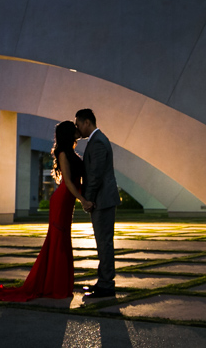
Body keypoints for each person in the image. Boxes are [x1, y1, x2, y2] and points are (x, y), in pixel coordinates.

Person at [0, 121, 86, 301]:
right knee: (58, 242)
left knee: (62, 241)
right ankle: (55, 286)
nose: (76, 130)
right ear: (68, 133)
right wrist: (83, 200)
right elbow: (69, 182)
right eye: (73, 128)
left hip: (67, 200)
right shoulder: (64, 153)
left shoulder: (71, 153)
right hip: (62, 200)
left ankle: (58, 284)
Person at [76, 108, 119, 299]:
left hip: (102, 200)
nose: (78, 129)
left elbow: (96, 174)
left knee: (104, 243)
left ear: (87, 122)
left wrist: (89, 199)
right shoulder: (97, 140)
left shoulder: (98, 142)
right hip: (102, 200)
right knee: (102, 243)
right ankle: (103, 282)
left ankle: (107, 285)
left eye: (78, 124)